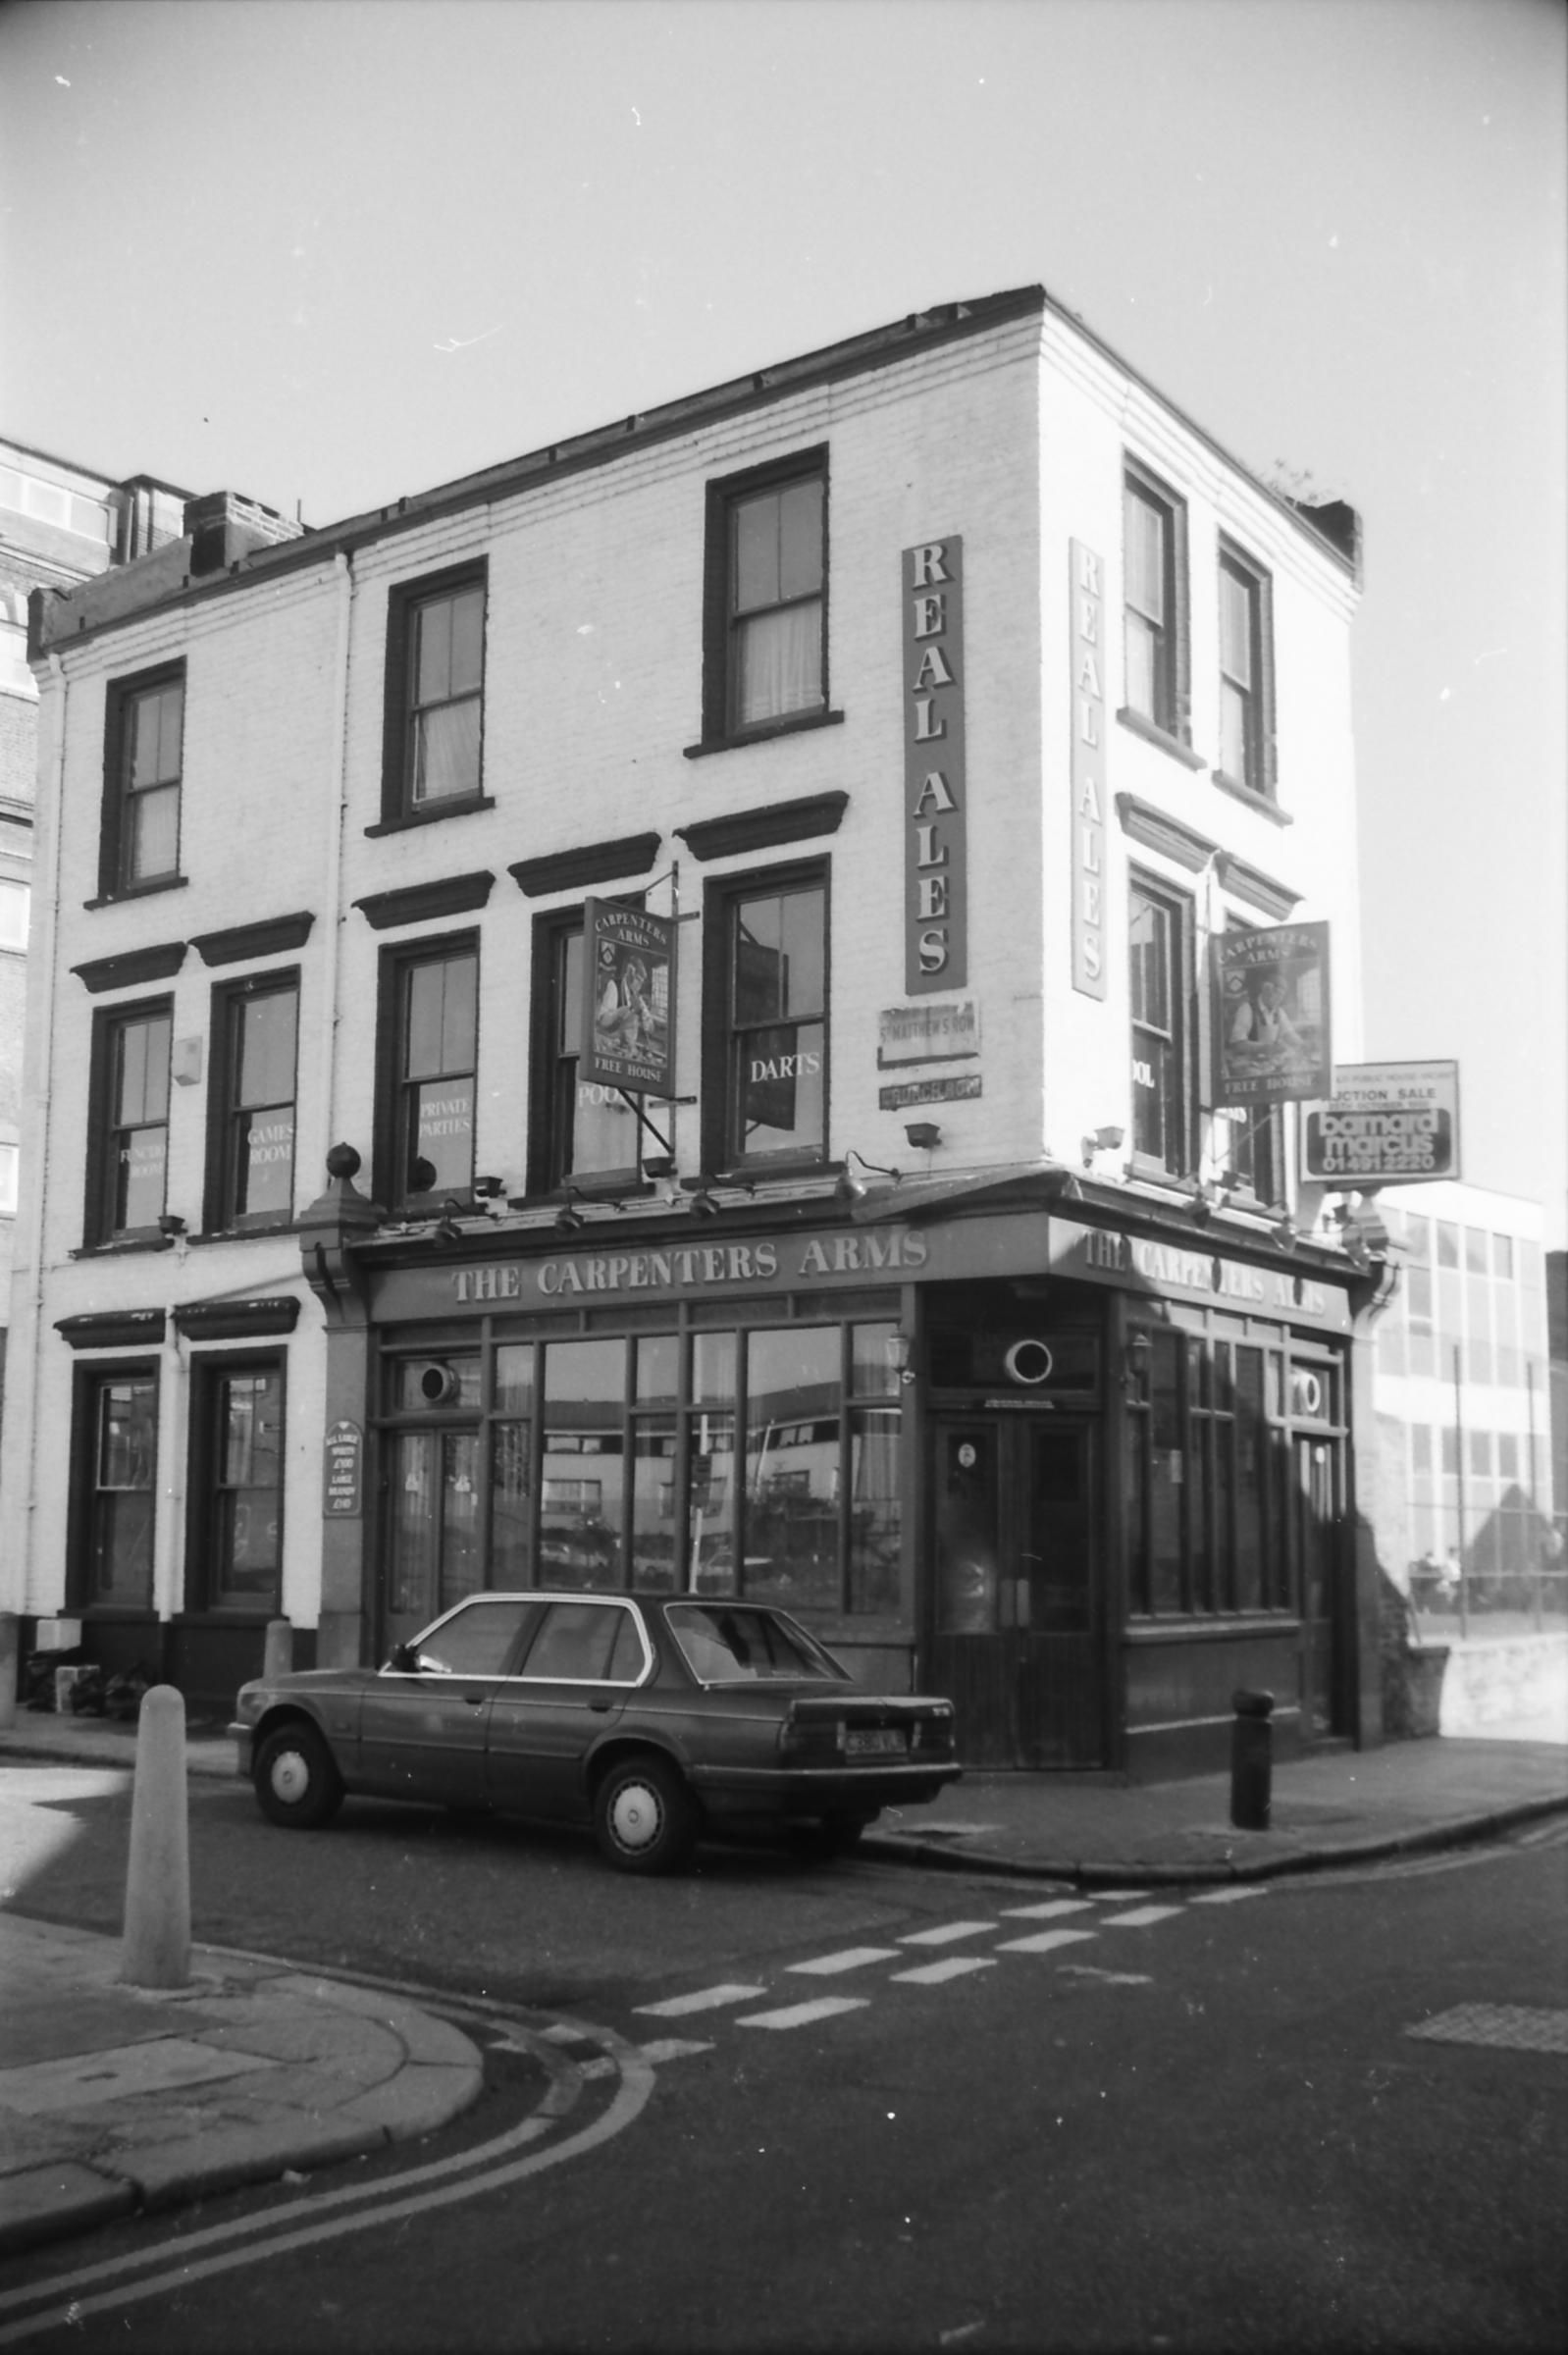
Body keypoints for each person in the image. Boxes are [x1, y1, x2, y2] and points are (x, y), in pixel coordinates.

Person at [1228, 972, 1303, 1050]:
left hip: (1271, 1060)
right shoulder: (1247, 1009)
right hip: (1248, 1060)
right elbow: (1238, 1043)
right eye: (1277, 993)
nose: (1279, 999)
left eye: (1281, 996)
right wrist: (1266, 1048)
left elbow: (1288, 1034)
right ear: (1266, 989)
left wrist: (1302, 1044)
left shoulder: (1279, 1012)